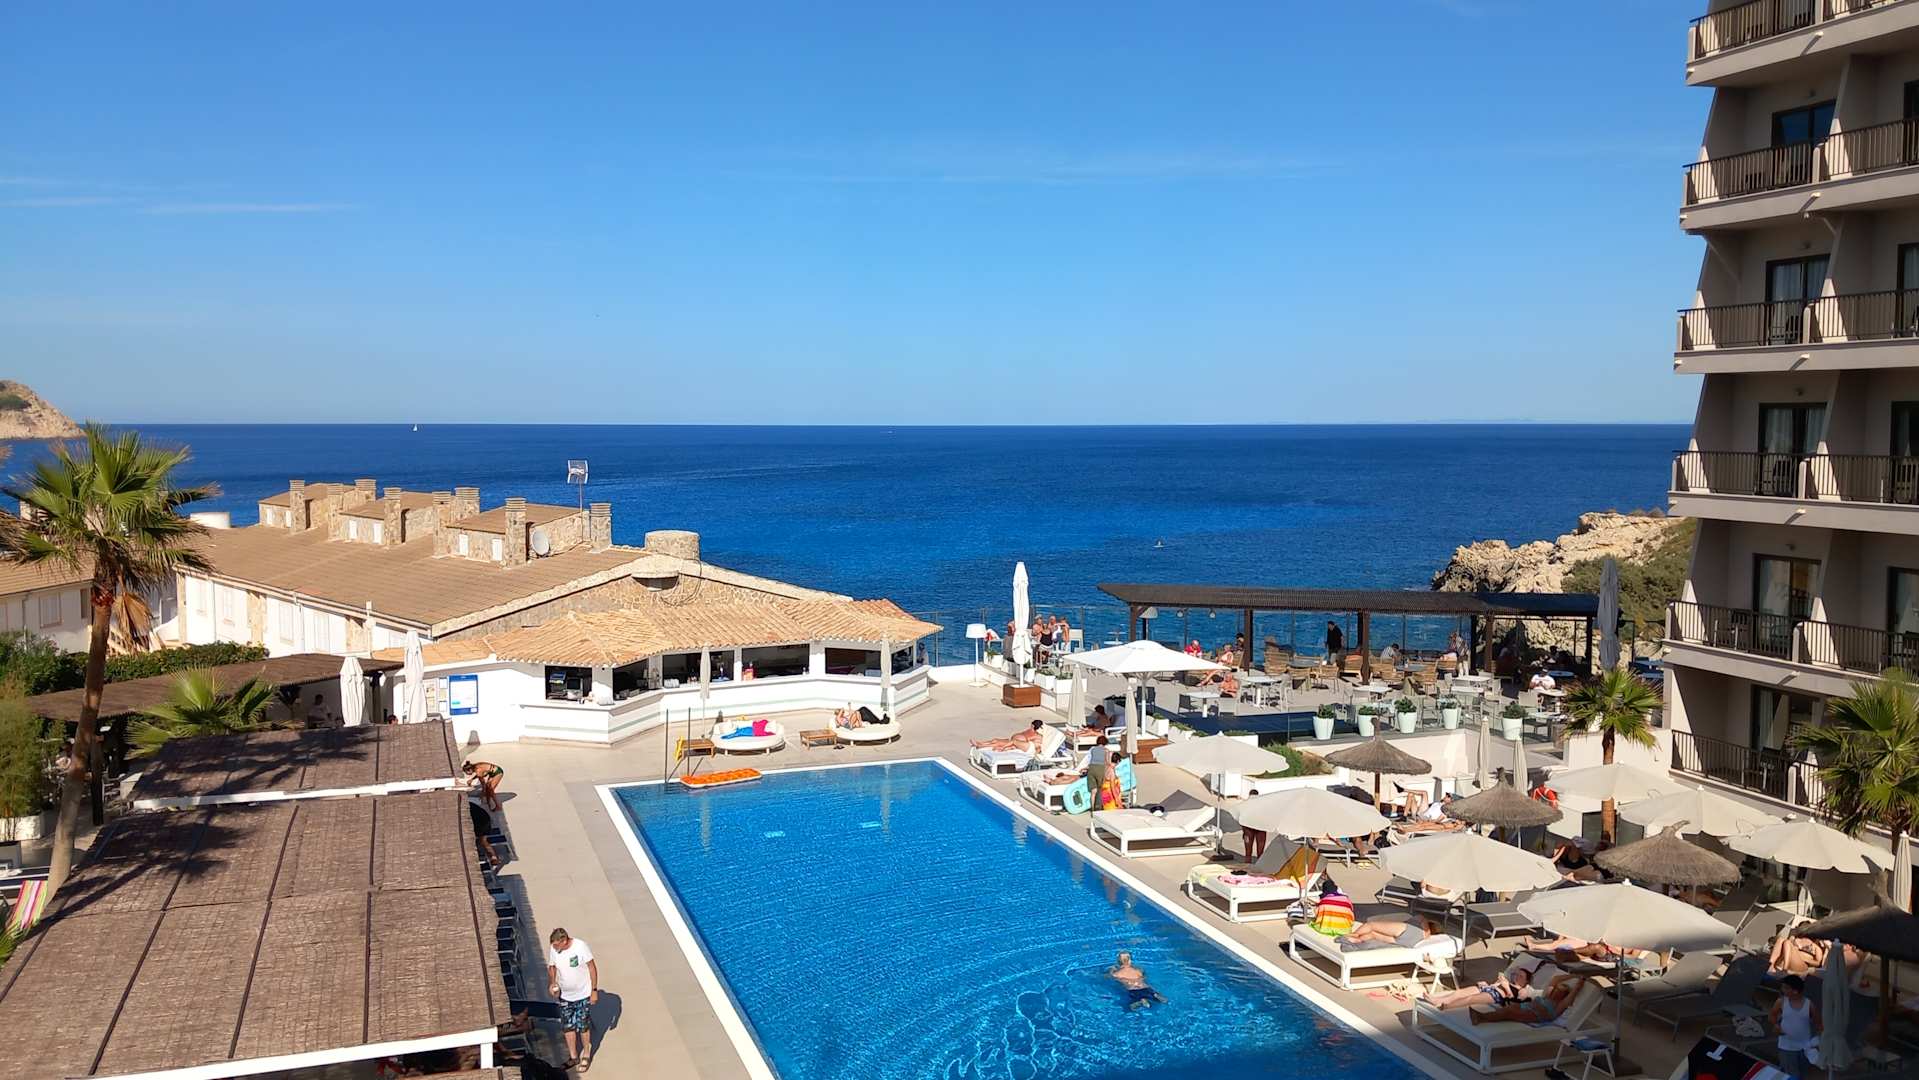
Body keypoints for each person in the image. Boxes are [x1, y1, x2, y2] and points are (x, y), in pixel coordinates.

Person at [546, 928, 600, 1071]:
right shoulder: (554, 949)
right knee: (568, 1026)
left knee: (583, 1026)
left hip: (582, 994)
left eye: (557, 945)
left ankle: (586, 1055)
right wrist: (552, 983)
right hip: (565, 996)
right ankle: (573, 1057)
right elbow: (552, 967)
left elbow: (592, 968)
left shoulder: (580, 946)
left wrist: (594, 990)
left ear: (564, 941)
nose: (554, 948)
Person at [1470, 972, 1589, 1025]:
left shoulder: (1561, 1004)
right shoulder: (1547, 996)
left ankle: (1481, 1018)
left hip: (1536, 1015)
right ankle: (1483, 1017)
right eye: (1557, 988)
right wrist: (1575, 975)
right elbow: (1556, 979)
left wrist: (1582, 979)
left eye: (1560, 990)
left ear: (1564, 995)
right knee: (1508, 1009)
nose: (1557, 989)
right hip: (1526, 1006)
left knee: (1509, 1013)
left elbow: (1576, 989)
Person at [1772, 974, 1821, 1079]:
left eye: (1786, 988)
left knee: (1802, 1074)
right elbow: (1772, 1015)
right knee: (1791, 1075)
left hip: (1805, 1047)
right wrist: (1776, 1025)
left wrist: (1818, 1040)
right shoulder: (1781, 1002)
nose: (1782, 990)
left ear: (1795, 991)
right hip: (1786, 1047)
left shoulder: (1809, 1005)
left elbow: (1818, 1023)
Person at [1425, 965, 1538, 1010]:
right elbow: (1493, 985)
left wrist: (1506, 987)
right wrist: (1487, 985)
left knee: (1470, 999)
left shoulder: (1523, 990)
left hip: (1496, 996)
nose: (1517, 976)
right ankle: (1437, 1000)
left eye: (1521, 976)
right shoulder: (1508, 981)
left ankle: (1445, 1006)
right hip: (1489, 989)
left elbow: (1513, 1001)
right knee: (1459, 992)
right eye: (1516, 974)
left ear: (1526, 981)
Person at [1342, 916, 1441, 947]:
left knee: (1371, 925)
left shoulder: (1424, 923)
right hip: (1408, 942)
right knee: (1373, 935)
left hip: (1407, 929)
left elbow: (1421, 917)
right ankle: (1356, 940)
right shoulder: (1427, 937)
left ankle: (1352, 935)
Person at [971, 718, 1044, 751]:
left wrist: (1010, 747)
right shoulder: (1030, 731)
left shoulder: (1037, 735)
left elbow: (1031, 744)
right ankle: (980, 743)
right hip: (1012, 741)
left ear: (1033, 725)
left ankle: (981, 746)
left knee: (998, 743)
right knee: (995, 740)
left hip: (1015, 744)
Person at [467, 796, 500, 868]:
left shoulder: (466, 808)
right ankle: (493, 857)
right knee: (483, 841)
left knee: (482, 841)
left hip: (482, 822)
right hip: (484, 820)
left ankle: (493, 857)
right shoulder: (468, 805)